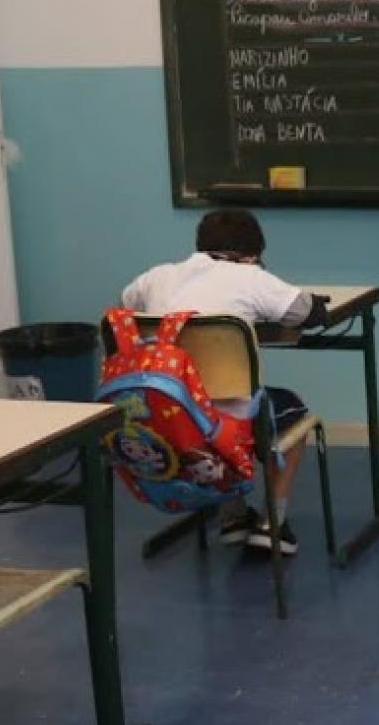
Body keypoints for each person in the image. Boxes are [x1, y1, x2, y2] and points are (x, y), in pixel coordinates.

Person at [120, 208, 327, 554]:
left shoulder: (156, 277)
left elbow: (126, 307)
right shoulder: (250, 278)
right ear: (251, 256)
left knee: (212, 404)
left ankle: (233, 515)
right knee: (291, 410)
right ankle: (271, 523)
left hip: (161, 413)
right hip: (227, 421)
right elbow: (307, 312)